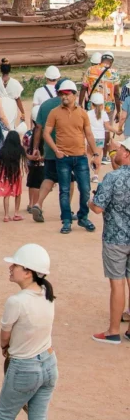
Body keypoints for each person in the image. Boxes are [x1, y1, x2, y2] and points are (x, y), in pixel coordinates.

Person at [0, 244, 58, 420]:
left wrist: (6, 348)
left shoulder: (16, 301)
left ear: (28, 272)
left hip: (24, 367)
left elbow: (4, 337)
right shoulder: (46, 293)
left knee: (5, 417)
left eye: (16, 265)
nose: (11, 268)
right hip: (49, 363)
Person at [43, 79, 100, 234]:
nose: (64, 97)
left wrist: (95, 154)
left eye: (67, 94)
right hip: (63, 157)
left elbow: (88, 134)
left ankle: (83, 217)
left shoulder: (82, 113)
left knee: (85, 189)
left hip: (80, 156)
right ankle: (67, 220)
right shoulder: (55, 112)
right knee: (64, 190)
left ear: (75, 95)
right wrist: (56, 150)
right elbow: (46, 133)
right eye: (61, 94)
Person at [89, 138, 130, 344]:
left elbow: (98, 207)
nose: (118, 150)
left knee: (117, 284)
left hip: (116, 237)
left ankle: (113, 330)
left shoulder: (113, 178)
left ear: (127, 154)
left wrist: (90, 201)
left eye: (121, 148)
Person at [30, 78, 78, 224]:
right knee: (69, 180)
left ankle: (38, 204)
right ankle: (67, 210)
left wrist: (36, 148)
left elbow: (38, 128)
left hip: (50, 149)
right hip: (68, 149)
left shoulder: (44, 105)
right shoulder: (71, 104)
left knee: (49, 178)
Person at [79, 51, 121, 121]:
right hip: (108, 107)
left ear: (101, 60)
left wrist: (80, 104)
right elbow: (116, 93)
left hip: (92, 105)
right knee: (107, 129)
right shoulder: (114, 73)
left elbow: (83, 88)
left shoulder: (90, 69)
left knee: (92, 127)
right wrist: (118, 111)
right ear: (111, 62)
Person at [0, 131, 27, 222]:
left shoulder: (3, 149)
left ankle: (6, 215)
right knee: (18, 193)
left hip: (4, 173)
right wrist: (26, 169)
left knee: (6, 194)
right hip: (16, 173)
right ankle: (16, 213)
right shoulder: (20, 149)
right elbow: (24, 161)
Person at [87, 93, 113, 183]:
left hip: (90, 138)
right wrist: (116, 131)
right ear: (102, 104)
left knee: (89, 155)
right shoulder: (104, 113)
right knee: (98, 157)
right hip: (100, 138)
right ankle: (95, 175)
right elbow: (108, 126)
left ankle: (87, 174)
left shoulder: (88, 114)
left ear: (91, 104)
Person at [24, 106, 44, 211]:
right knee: (38, 185)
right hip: (42, 163)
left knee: (31, 183)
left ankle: (30, 203)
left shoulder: (28, 133)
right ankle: (36, 204)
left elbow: (24, 148)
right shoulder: (45, 133)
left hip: (30, 162)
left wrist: (28, 158)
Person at [0, 59, 25, 126]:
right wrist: (23, 112)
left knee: (1, 126)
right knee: (10, 126)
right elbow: (18, 99)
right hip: (11, 107)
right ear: (9, 70)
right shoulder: (15, 83)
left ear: (1, 70)